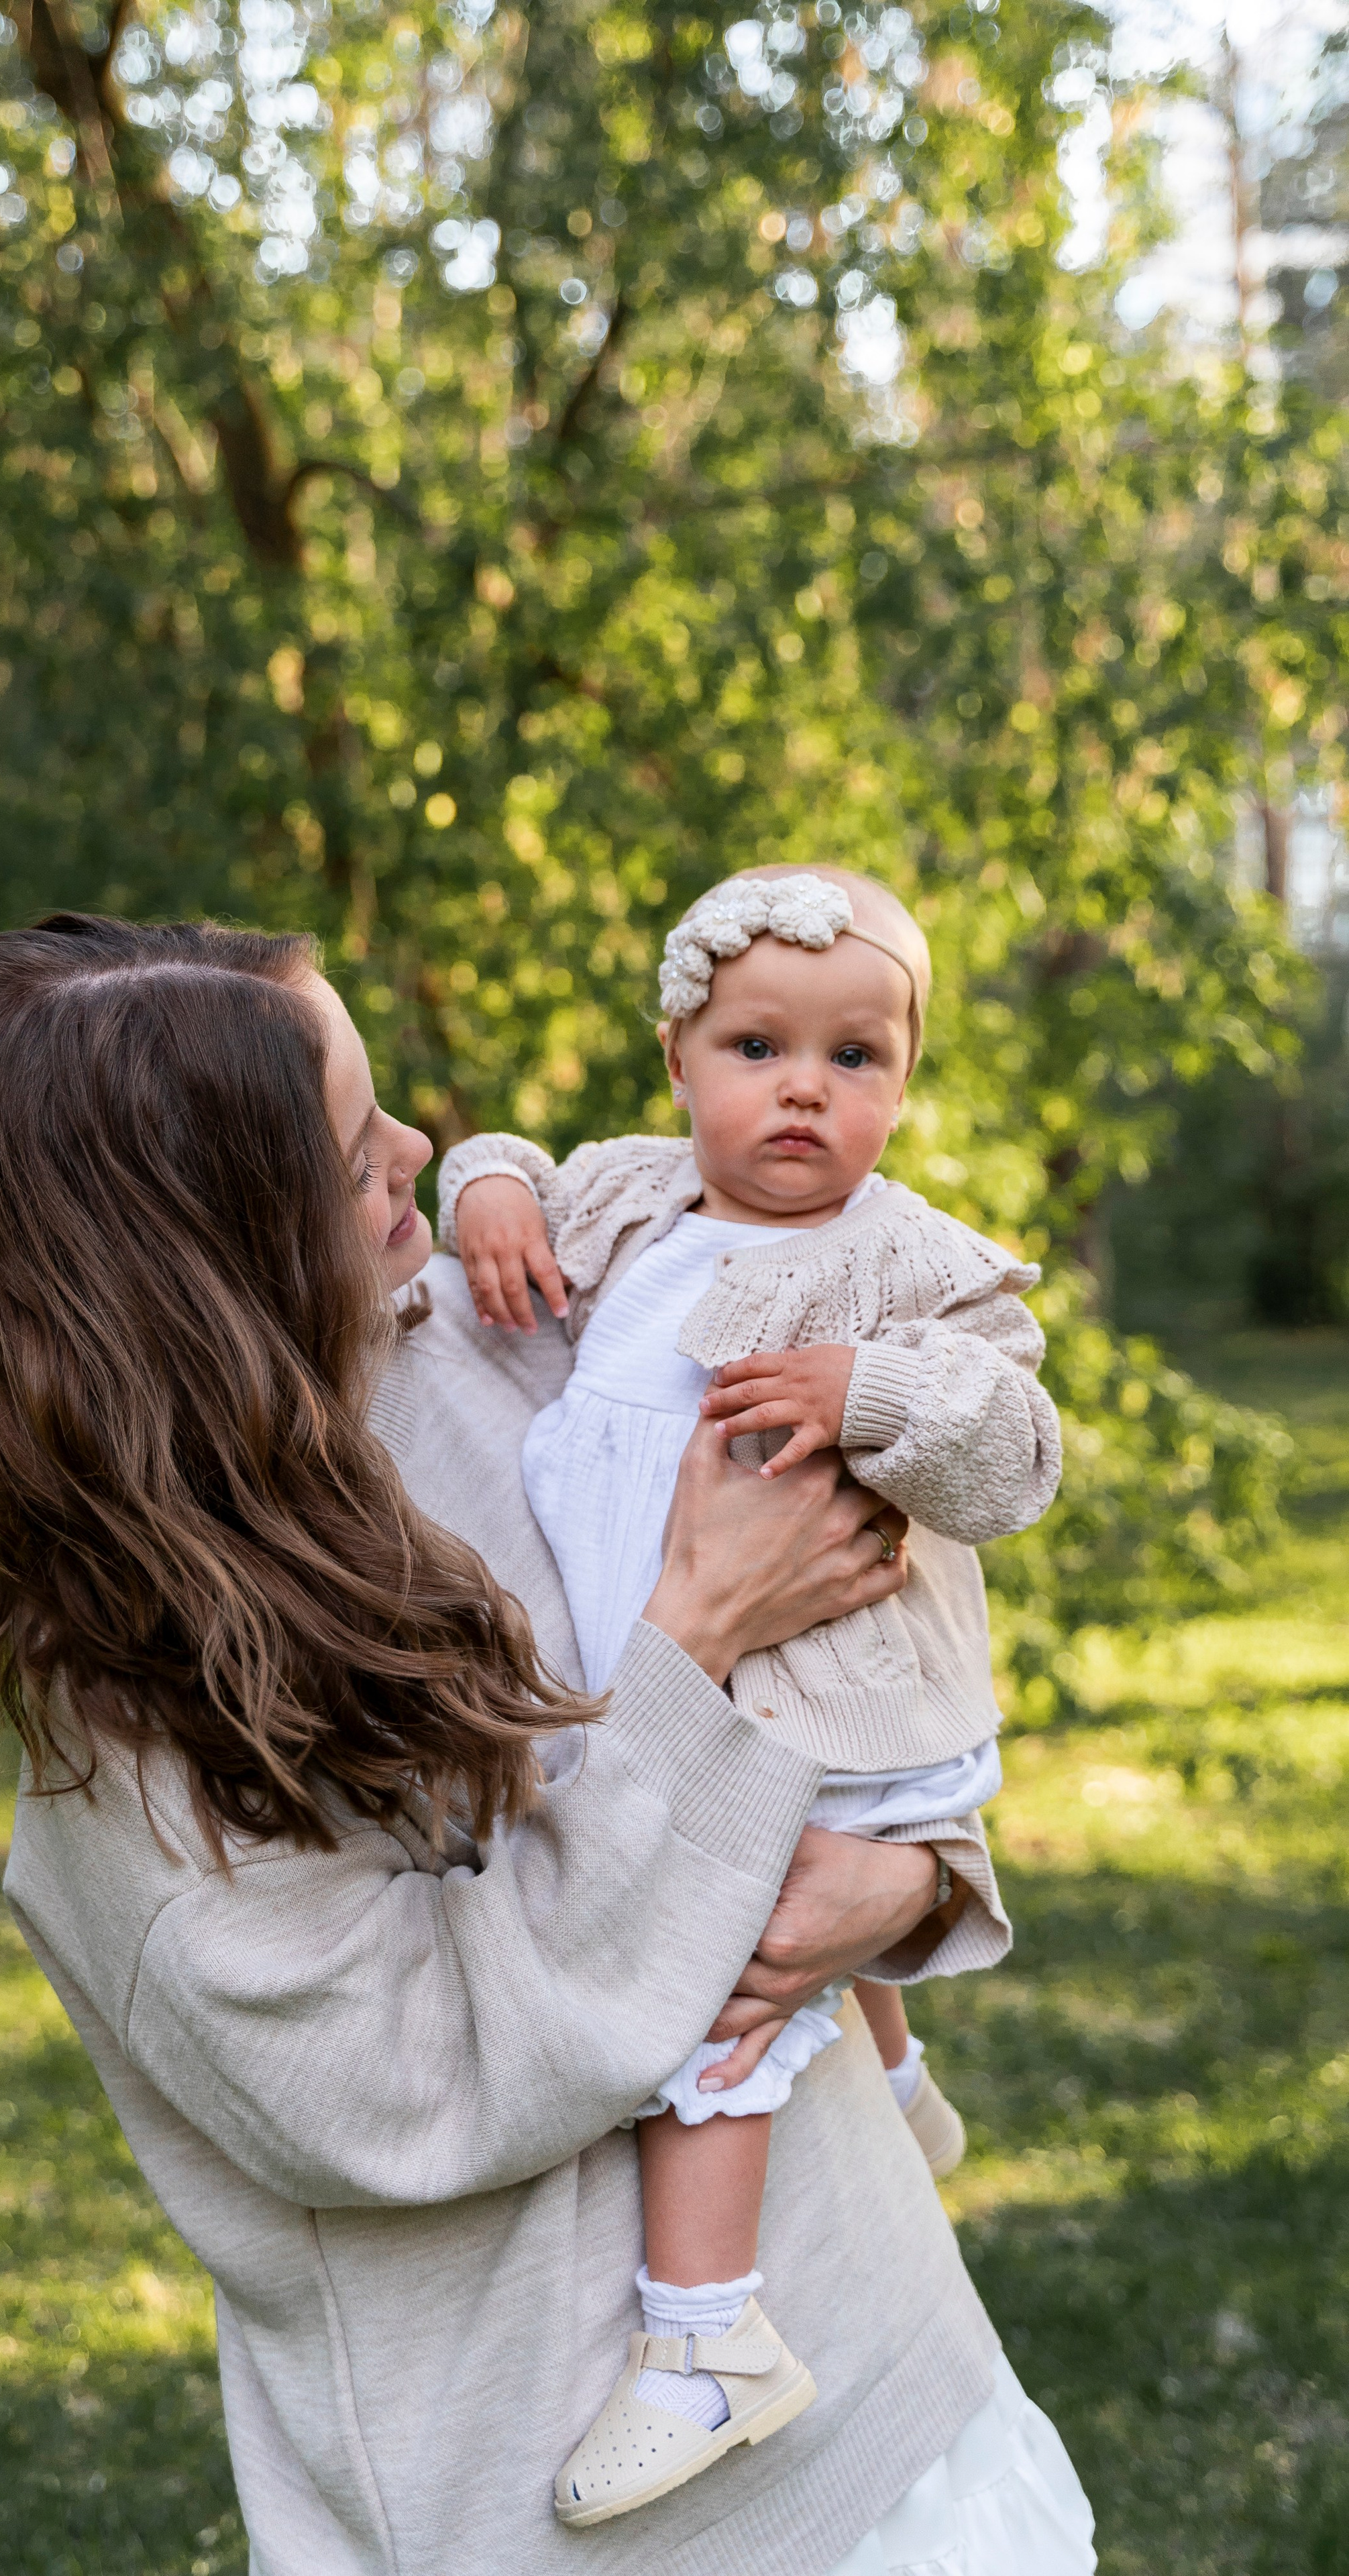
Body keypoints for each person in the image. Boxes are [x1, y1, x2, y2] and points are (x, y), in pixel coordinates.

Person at [0, 910, 1094, 2576]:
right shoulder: (133, 1713)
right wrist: (690, 1635)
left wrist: (912, 1881)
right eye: (349, 1149)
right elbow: (409, 2096)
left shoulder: (529, 1334)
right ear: (211, 1241)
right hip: (579, 2516)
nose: (417, 1151)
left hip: (891, 2381)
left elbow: (865, 1653)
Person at [443, 865, 1062, 2522]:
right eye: (755, 1047)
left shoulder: (908, 1261)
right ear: (675, 1060)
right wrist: (485, 1185)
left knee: (708, 2001)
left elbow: (1013, 1455)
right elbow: (505, 1164)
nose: (802, 1089)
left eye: (853, 1058)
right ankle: (899, 2082)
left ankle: (704, 2335)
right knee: (767, 1944)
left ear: (902, 1086)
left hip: (820, 1701)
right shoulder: (631, 1200)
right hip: (672, 1670)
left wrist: (872, 1392)